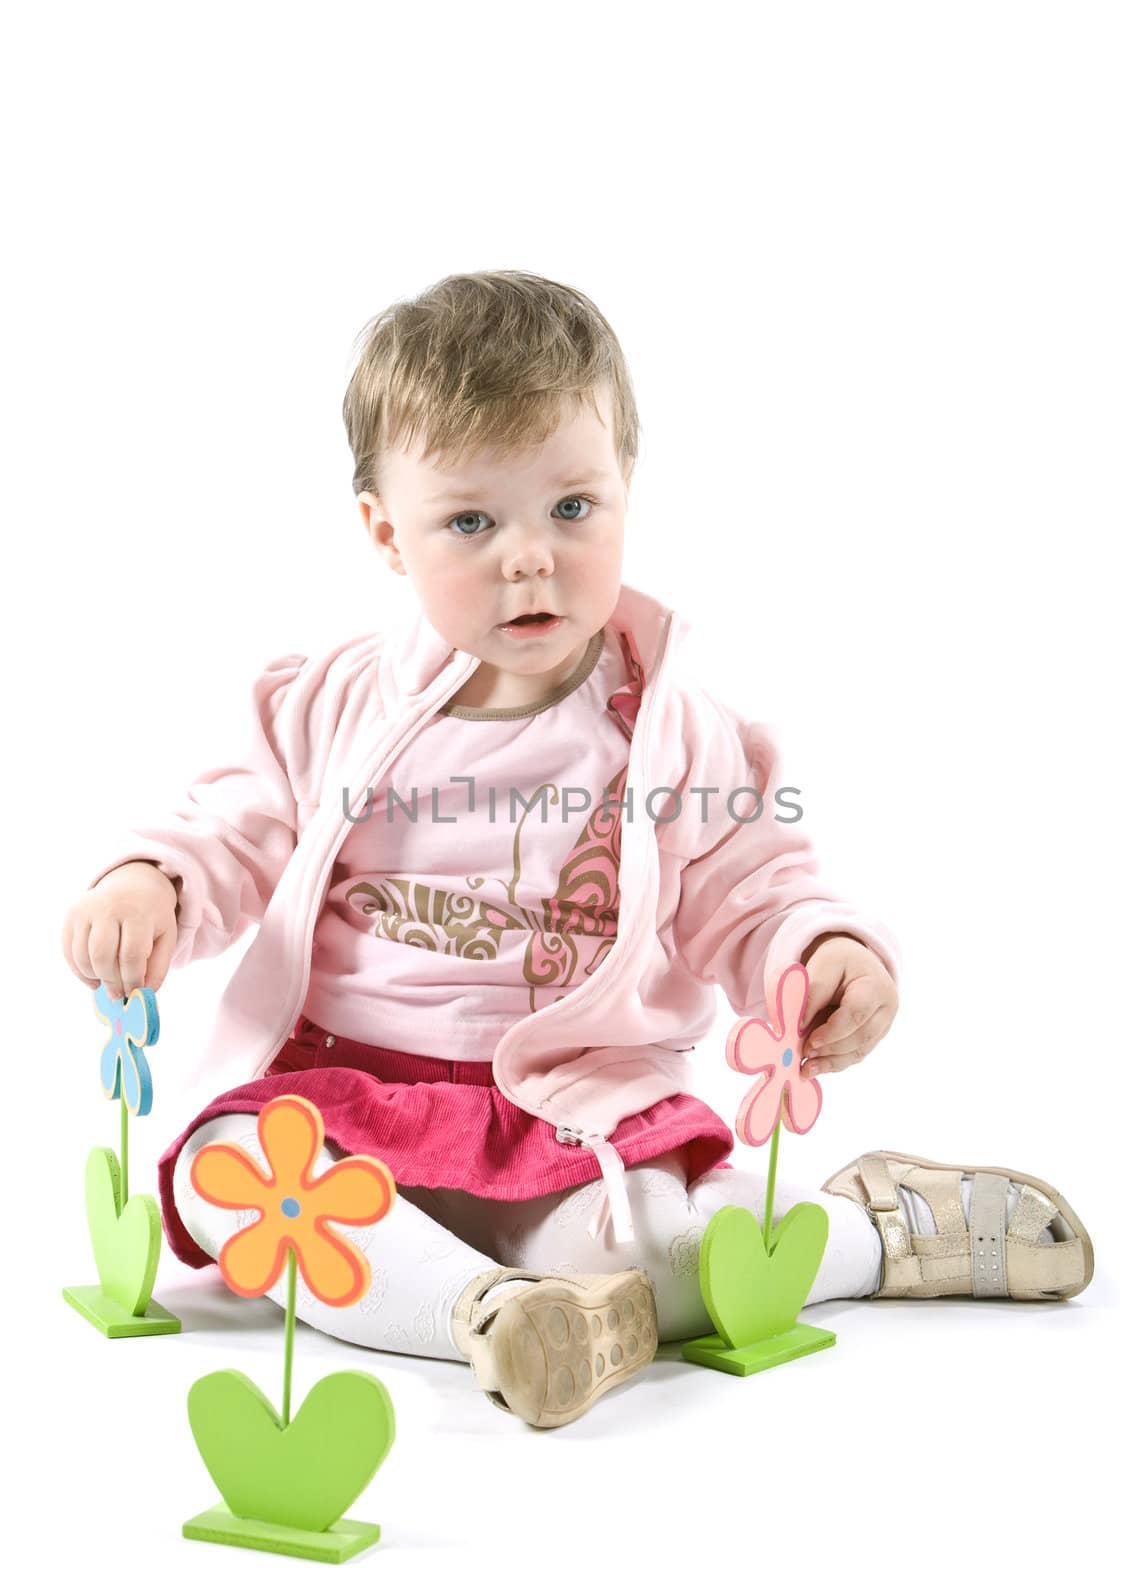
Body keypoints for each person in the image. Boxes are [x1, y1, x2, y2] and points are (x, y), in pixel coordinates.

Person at [61, 270, 1094, 1429]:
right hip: (344, 1094)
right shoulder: (330, 702)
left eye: (571, 508)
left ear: (625, 495)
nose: (529, 557)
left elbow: (750, 889)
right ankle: (496, 1316)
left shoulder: (666, 733)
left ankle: (872, 1233)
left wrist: (823, 948)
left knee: (680, 1261)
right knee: (236, 1182)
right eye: (470, 520)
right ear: (383, 533)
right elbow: (231, 823)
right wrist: (151, 878)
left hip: (567, 1111)